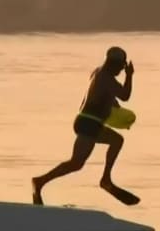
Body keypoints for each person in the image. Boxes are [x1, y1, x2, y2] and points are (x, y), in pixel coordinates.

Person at [32, 46, 140, 206]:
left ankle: (104, 179)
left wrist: (112, 105)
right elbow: (125, 95)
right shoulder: (107, 78)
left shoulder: (98, 73)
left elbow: (98, 96)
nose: (121, 70)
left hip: (88, 122)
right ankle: (40, 182)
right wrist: (129, 75)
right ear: (115, 64)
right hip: (89, 124)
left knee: (111, 144)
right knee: (78, 162)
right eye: (121, 67)